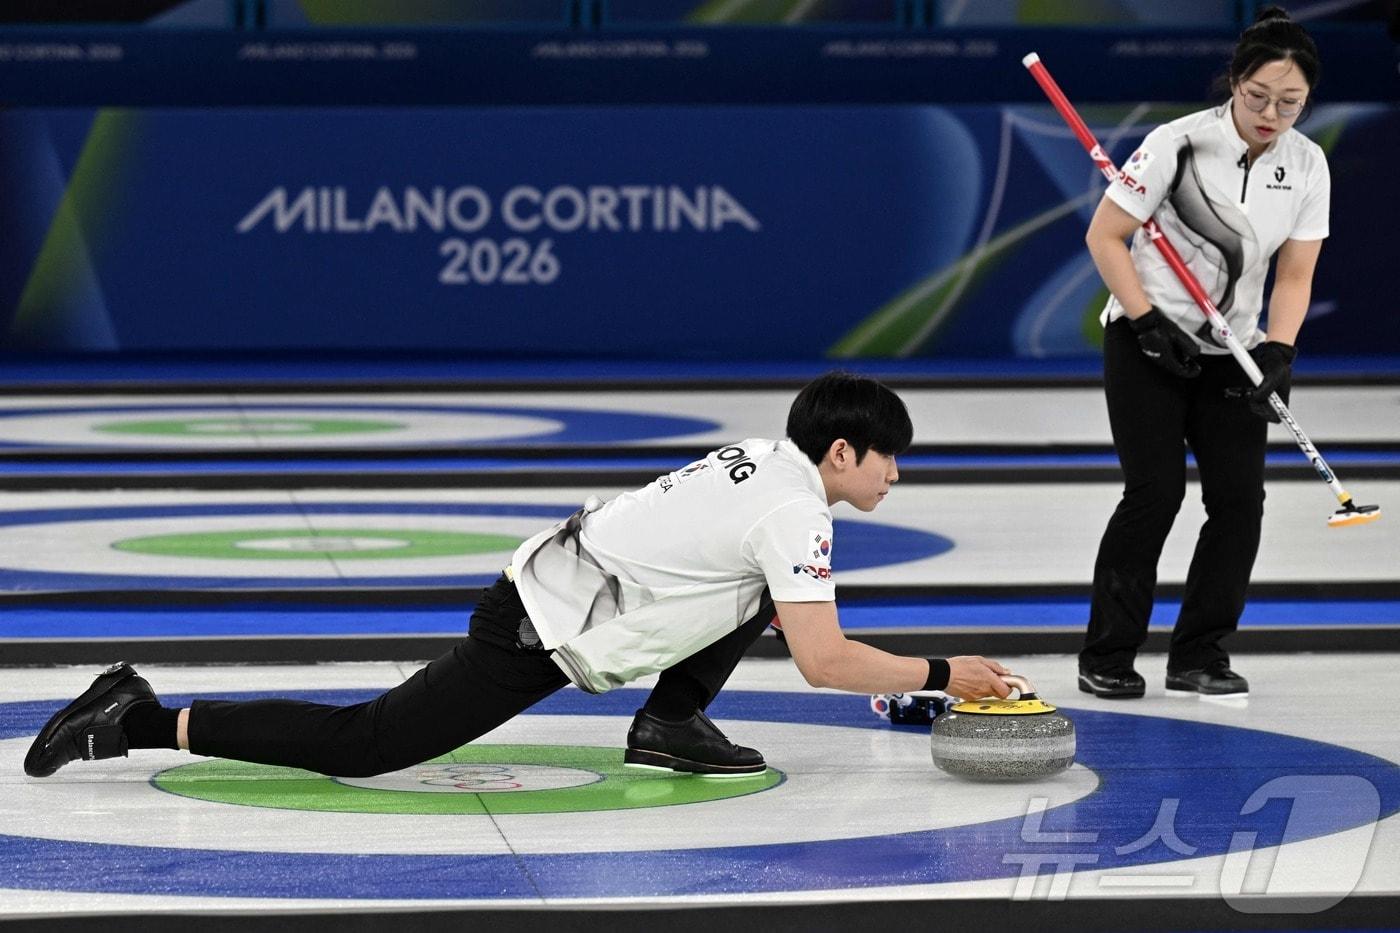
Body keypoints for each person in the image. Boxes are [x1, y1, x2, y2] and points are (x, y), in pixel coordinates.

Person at [26, 371, 1011, 780]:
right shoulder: (793, 509)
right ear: (842, 453)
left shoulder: (773, 464)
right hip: (542, 618)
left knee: (761, 589)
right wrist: (939, 675)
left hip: (574, 580)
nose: (897, 475)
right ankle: (139, 718)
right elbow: (822, 663)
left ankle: (669, 721)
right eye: (890, 459)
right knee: (368, 745)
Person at [1077, 7, 1329, 700]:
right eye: (1258, 97)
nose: (1272, 114)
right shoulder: (1176, 143)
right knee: (1154, 493)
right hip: (1147, 339)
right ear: (1234, 82)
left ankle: (1200, 652)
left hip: (1234, 351)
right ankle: (1108, 650)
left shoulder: (1308, 164)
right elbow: (1107, 235)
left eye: (1291, 102)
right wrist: (1147, 318)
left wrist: (1280, 348)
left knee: (1240, 501)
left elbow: (1297, 274)